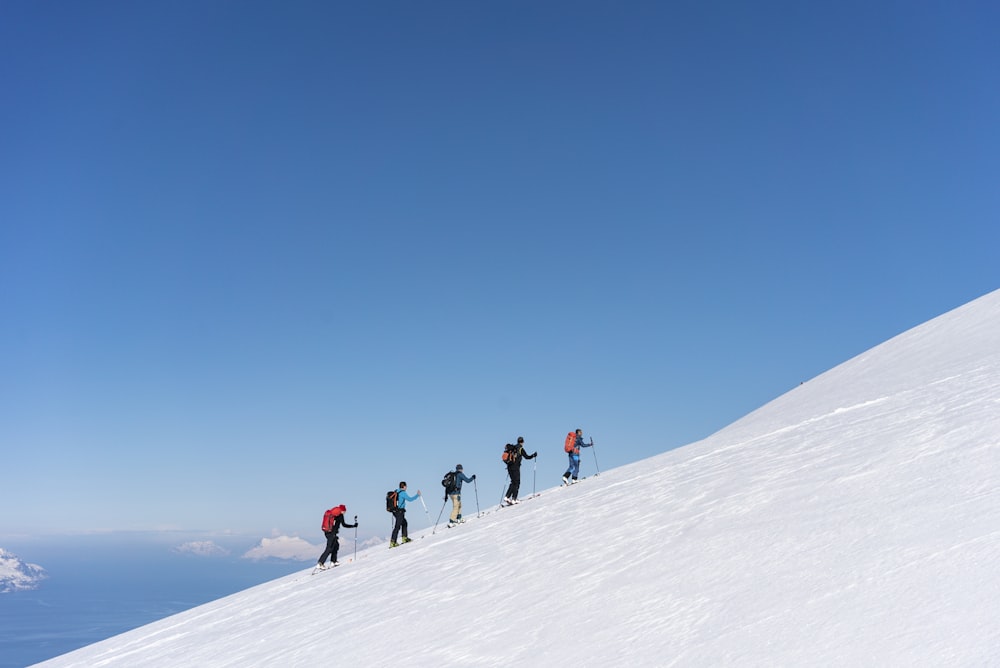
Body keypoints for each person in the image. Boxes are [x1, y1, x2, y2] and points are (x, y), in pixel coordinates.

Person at [317, 505, 358, 569]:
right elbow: (344, 525)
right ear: (342, 511)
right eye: (344, 511)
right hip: (332, 533)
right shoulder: (340, 515)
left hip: (327, 532)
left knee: (336, 546)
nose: (345, 512)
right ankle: (320, 563)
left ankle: (333, 561)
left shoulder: (333, 514)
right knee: (329, 548)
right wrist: (353, 526)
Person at [504, 436, 537, 505]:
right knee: (517, 482)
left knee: (513, 482)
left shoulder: (513, 448)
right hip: (515, 467)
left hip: (509, 467)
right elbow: (527, 457)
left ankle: (507, 497)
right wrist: (533, 455)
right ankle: (514, 499)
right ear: (522, 442)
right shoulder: (520, 449)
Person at [390, 482, 421, 548]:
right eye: (406, 486)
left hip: (395, 511)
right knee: (397, 526)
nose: (406, 487)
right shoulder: (403, 493)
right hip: (400, 511)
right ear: (404, 486)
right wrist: (417, 495)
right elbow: (410, 499)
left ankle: (404, 538)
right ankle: (393, 542)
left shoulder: (396, 491)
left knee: (404, 523)